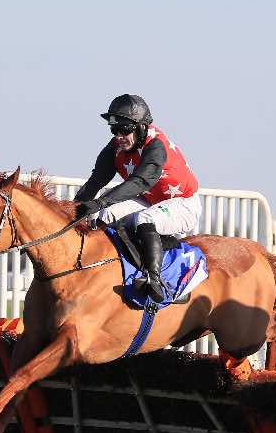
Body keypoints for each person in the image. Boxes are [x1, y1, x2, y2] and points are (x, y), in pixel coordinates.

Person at [74, 94, 201, 302]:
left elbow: (140, 182)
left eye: (124, 129)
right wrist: (71, 209)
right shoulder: (115, 147)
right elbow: (96, 181)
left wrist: (99, 201)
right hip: (150, 200)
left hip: (184, 204)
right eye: (114, 129)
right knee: (105, 215)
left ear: (141, 127)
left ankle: (155, 280)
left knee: (144, 219)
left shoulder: (156, 146)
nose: (119, 136)